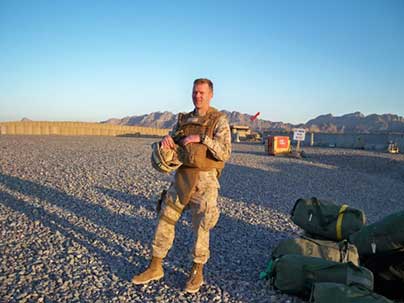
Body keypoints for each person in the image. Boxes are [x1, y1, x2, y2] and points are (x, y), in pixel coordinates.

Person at [132, 78, 232, 293]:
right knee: (165, 218)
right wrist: (167, 142)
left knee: (202, 227)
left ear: (211, 95)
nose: (198, 96)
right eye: (195, 92)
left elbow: (225, 153)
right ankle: (155, 266)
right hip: (182, 178)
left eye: (202, 93)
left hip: (205, 182)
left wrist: (202, 138)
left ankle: (197, 272)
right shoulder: (184, 120)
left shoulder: (219, 120)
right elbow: (173, 140)